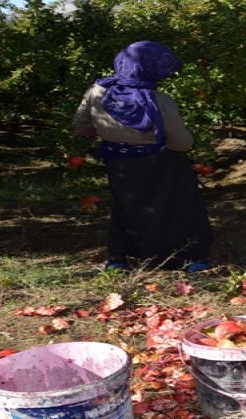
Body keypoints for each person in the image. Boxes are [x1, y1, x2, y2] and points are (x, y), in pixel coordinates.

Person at [73, 41, 213, 272]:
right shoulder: (159, 101)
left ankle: (119, 259)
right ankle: (191, 257)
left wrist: (113, 134)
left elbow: (81, 126)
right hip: (160, 163)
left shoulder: (97, 91)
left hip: (118, 161)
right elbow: (182, 143)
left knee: (126, 206)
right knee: (179, 205)